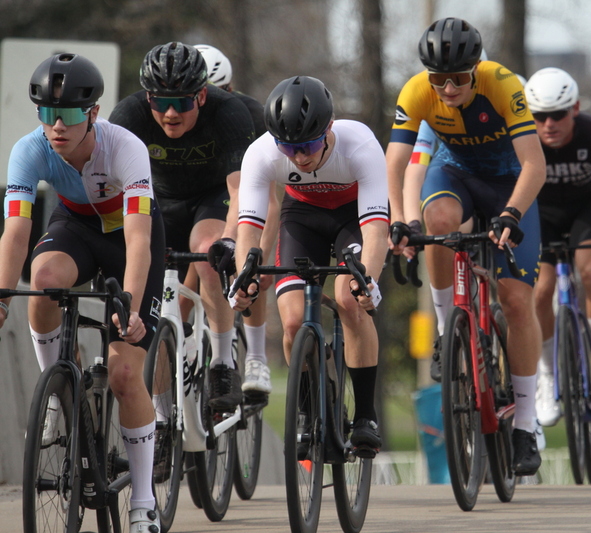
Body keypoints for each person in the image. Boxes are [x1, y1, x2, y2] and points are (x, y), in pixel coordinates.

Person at [0, 53, 164, 532]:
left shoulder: (125, 148)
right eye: (47, 114)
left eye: (69, 114)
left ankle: (144, 501)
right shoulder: (29, 149)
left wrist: (129, 305)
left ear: (92, 113)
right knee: (44, 278)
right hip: (75, 224)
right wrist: (4, 296)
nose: (57, 126)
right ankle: (56, 387)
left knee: (125, 374)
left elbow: (138, 241)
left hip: (129, 238)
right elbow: (15, 233)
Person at [386, 17, 547, 476]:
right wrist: (401, 220)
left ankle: (525, 426)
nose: (448, 87)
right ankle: (446, 331)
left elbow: (534, 164)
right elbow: (395, 162)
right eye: (440, 78)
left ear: (475, 68)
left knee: (517, 300)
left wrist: (513, 214)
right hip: (454, 174)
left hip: (509, 184)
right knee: (436, 224)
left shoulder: (502, 84)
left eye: (458, 77)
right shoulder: (417, 90)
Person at [230, 76, 388, 456]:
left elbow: (377, 231)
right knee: (292, 320)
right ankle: (306, 411)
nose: (299, 157)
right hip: (302, 217)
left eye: (309, 145)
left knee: (349, 300)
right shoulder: (261, 153)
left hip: (353, 218)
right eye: (289, 147)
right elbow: (248, 229)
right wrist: (243, 279)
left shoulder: (361, 145)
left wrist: (370, 282)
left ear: (329, 127)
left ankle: (365, 415)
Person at [109, 42, 255, 412]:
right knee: (152, 298)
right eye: (160, 102)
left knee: (208, 253)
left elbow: (239, 190)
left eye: (183, 103)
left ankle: (222, 362)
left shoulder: (229, 112)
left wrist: (229, 239)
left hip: (212, 196)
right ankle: (159, 415)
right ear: (147, 98)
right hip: (159, 199)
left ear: (202, 96)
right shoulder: (128, 115)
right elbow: (109, 188)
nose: (171, 113)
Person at [523, 67, 591, 426]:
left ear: (576, 108)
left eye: (558, 114)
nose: (549, 124)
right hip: (541, 216)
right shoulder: (521, 137)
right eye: (539, 116)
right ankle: (547, 378)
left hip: (586, 213)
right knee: (540, 291)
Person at [195, 43, 278, 398]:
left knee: (250, 262)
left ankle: (256, 355)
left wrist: (263, 258)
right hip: (198, 196)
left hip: (241, 191)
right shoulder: (180, 115)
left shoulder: (251, 115)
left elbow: (270, 202)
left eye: (220, 94)